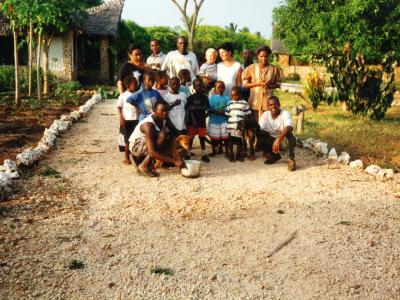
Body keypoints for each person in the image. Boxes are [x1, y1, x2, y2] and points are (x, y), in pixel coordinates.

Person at [130, 99, 185, 177]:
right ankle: (143, 165)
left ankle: (150, 164)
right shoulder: (148, 125)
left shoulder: (164, 117)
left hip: (149, 143)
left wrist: (184, 144)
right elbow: (152, 152)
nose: (165, 113)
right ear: (154, 110)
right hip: (136, 147)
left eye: (167, 110)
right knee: (163, 134)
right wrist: (174, 160)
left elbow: (175, 131)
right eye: (161, 111)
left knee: (170, 135)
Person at [242, 45, 282, 122]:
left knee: (266, 126)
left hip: (268, 103)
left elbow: (278, 84)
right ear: (257, 56)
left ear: (269, 56)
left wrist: (269, 86)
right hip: (254, 102)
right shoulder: (251, 68)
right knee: (254, 125)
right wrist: (258, 84)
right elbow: (245, 84)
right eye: (261, 56)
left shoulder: (274, 69)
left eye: (266, 56)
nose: (264, 58)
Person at [258, 96, 297, 171]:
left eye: (275, 104)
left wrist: (278, 139)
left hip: (283, 140)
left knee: (290, 135)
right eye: (271, 105)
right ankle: (275, 156)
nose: (273, 107)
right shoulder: (265, 115)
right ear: (268, 106)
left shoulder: (285, 113)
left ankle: (291, 159)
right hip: (272, 140)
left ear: (279, 104)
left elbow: (289, 127)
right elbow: (260, 128)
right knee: (259, 136)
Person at [185, 79, 210, 162]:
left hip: (202, 121)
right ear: (194, 87)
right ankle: (188, 153)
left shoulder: (204, 97)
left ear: (202, 86)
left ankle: (203, 154)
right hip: (192, 122)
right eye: (196, 86)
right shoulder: (190, 98)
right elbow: (189, 109)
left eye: (200, 85)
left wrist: (196, 108)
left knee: (202, 138)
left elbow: (207, 107)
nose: (198, 87)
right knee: (191, 138)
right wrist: (193, 119)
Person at [117, 76, 140, 165]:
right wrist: (121, 118)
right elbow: (119, 107)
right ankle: (126, 156)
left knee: (136, 138)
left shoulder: (137, 94)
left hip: (137, 119)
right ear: (128, 86)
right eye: (134, 84)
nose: (136, 85)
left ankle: (136, 155)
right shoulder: (123, 96)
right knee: (127, 140)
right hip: (127, 120)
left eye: (136, 84)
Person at [225, 86, 251, 162]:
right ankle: (231, 155)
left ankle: (238, 155)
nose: (234, 97)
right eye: (232, 95)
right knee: (230, 141)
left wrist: (243, 123)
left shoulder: (244, 103)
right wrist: (229, 123)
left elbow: (248, 114)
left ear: (240, 95)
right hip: (231, 126)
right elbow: (227, 113)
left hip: (239, 127)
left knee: (239, 141)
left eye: (236, 95)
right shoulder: (230, 103)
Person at [208, 81, 229, 157]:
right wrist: (215, 111)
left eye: (222, 87)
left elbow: (229, 109)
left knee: (225, 137)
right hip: (214, 120)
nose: (220, 89)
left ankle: (227, 151)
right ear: (215, 88)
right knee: (214, 137)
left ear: (224, 88)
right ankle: (214, 150)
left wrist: (223, 112)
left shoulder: (227, 98)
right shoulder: (212, 98)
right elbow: (209, 109)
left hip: (224, 121)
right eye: (218, 87)